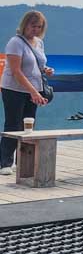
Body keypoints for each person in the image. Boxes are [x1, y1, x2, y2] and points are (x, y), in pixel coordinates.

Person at [2, 10, 54, 176]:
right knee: (13, 124)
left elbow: (36, 64)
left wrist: (46, 70)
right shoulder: (15, 43)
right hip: (14, 89)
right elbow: (16, 71)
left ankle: (22, 160)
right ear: (25, 24)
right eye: (33, 26)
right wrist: (33, 92)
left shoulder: (39, 42)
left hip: (34, 88)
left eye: (39, 27)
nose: (36, 30)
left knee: (28, 125)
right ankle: (5, 162)